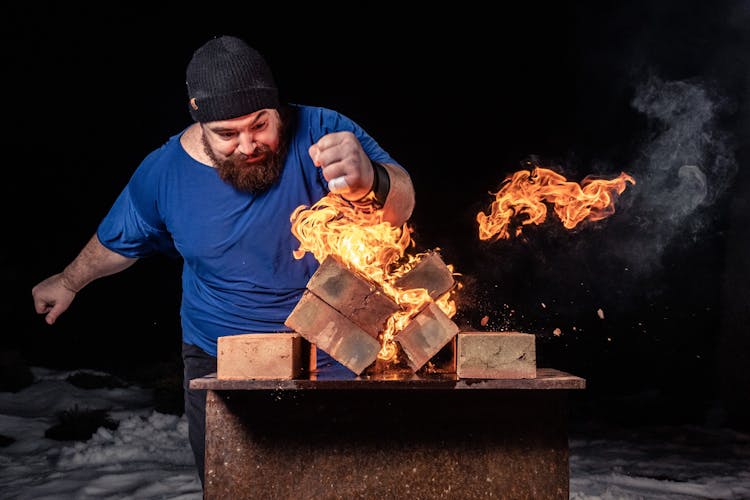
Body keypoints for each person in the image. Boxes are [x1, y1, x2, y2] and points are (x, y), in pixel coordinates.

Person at [31, 34, 415, 489]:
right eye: (227, 134)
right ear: (200, 125)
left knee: (342, 487)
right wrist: (70, 281)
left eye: (260, 124)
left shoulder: (323, 129)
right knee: (233, 487)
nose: (248, 145)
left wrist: (370, 179)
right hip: (220, 357)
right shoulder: (164, 172)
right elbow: (120, 238)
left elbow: (404, 202)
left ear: (278, 109)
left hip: (336, 356)